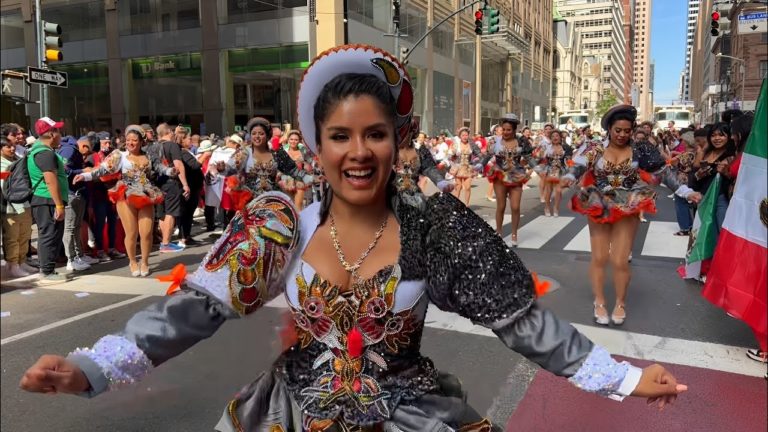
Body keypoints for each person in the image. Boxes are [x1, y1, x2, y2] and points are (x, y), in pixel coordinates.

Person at [19, 45, 687, 431]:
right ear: (318, 144)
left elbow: (525, 326)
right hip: (288, 411)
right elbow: (191, 311)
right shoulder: (283, 223)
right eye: (340, 136)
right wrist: (95, 368)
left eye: (376, 133)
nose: (359, 152)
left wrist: (623, 380)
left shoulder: (435, 226)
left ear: (399, 140)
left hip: (408, 412)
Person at [562, 105, 700, 326]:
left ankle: (620, 303)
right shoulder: (595, 148)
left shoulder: (641, 149)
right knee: (599, 257)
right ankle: (599, 301)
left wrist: (685, 191)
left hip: (628, 204)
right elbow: (578, 166)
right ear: (609, 128)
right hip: (599, 203)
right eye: (618, 130)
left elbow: (662, 172)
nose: (622, 135)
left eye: (627, 130)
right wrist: (569, 177)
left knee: (619, 259)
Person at [74, 125, 167, 277]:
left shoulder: (148, 155)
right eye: (128, 140)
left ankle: (145, 261)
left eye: (134, 140)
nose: (131, 143)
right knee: (131, 233)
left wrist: (170, 171)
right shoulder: (119, 155)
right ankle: (132, 261)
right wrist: (85, 176)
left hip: (145, 194)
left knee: (147, 232)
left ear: (141, 141)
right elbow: (102, 169)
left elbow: (160, 168)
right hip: (126, 195)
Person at [227, 117, 312, 212]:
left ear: (267, 136)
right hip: (250, 205)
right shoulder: (244, 153)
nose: (257, 136)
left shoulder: (277, 153)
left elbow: (294, 171)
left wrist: (313, 178)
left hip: (273, 204)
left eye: (261, 133)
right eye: (254, 133)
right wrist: (220, 168)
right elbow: (228, 170)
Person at [28, 117, 69, 284]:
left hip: (45, 200)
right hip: (47, 200)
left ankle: (48, 269)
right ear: (51, 133)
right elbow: (50, 180)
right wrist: (59, 204)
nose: (60, 134)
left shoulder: (41, 150)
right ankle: (47, 271)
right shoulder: (44, 153)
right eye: (57, 130)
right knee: (49, 235)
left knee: (50, 234)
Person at [482, 114, 531, 244]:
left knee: (515, 207)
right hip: (500, 175)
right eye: (503, 129)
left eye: (508, 130)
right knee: (501, 206)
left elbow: (530, 157)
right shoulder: (495, 141)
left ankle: (514, 233)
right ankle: (498, 232)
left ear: (514, 130)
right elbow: (487, 156)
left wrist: (537, 168)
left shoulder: (522, 141)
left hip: (516, 176)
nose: (505, 132)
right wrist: (478, 165)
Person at [58, 136, 99, 271]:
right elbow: (64, 171)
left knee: (76, 226)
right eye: (86, 153)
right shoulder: (69, 150)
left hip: (78, 193)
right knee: (70, 227)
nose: (85, 156)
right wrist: (82, 171)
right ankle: (71, 258)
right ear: (84, 146)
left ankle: (79, 255)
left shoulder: (73, 150)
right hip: (70, 194)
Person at [86, 136, 125, 262]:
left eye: (109, 142)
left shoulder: (115, 157)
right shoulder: (92, 157)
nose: (108, 145)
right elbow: (90, 177)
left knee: (113, 222)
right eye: (105, 142)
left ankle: (112, 248)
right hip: (99, 196)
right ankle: (100, 250)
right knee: (100, 223)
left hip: (113, 194)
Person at [1, 137, 35, 278]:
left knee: (25, 235)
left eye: (13, 145)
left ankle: (22, 262)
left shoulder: (18, 159)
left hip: (24, 203)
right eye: (8, 146)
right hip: (9, 207)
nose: (12, 148)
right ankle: (12, 265)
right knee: (12, 237)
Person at [154, 123, 190, 253]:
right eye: (173, 132)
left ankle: (164, 242)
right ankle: (166, 243)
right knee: (171, 212)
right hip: (171, 182)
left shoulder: (154, 146)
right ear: (169, 132)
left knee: (162, 213)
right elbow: (178, 165)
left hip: (157, 183)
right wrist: (185, 184)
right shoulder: (172, 146)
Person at [205, 135, 241, 232]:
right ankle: (229, 229)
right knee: (230, 208)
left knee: (223, 208)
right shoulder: (235, 153)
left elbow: (210, 167)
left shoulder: (217, 151)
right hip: (230, 183)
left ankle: (225, 228)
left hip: (219, 184)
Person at [540, 129, 572, 217]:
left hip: (561, 171)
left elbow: (569, 160)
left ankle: (556, 208)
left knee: (558, 191)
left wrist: (571, 170)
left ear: (560, 137)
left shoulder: (566, 147)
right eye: (553, 136)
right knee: (549, 190)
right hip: (549, 170)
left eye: (557, 136)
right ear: (550, 138)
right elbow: (540, 158)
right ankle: (546, 207)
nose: (555, 138)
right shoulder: (547, 147)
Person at [448, 127, 480, 205]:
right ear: (460, 136)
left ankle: (466, 205)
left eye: (466, 135)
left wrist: (476, 161)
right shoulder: (456, 145)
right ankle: (456, 206)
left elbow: (479, 154)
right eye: (463, 135)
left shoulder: (472, 144)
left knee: (468, 187)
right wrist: (452, 153)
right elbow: (449, 157)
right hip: (458, 168)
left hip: (468, 168)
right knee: (458, 188)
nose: (465, 137)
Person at [283, 130, 312, 209]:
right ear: (288, 140)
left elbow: (309, 165)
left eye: (296, 139)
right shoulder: (283, 150)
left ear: (299, 141)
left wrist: (305, 165)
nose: (293, 141)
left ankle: (299, 221)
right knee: (289, 206)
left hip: (300, 180)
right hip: (286, 182)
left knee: (298, 206)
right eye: (291, 139)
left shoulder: (303, 151)